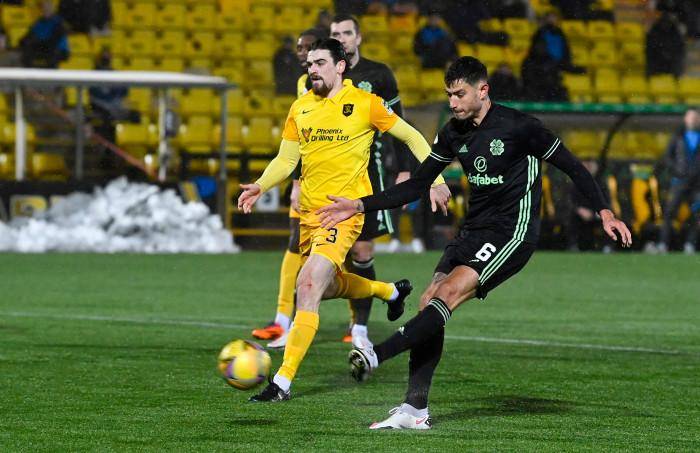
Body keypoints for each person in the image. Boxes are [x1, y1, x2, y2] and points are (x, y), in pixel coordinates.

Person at [317, 56, 632, 429]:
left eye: (460, 94)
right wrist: (359, 204)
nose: (453, 102)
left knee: (446, 295)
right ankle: (414, 409)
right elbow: (418, 184)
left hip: (512, 233)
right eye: (449, 94)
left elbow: (573, 165)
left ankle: (375, 355)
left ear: (483, 90)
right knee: (428, 299)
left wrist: (604, 212)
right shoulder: (454, 132)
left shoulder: (520, 127)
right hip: (472, 231)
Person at [237, 38, 450, 402]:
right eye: (309, 64)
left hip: (344, 213)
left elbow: (413, 136)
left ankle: (282, 381)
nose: (312, 69)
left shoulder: (365, 104)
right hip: (309, 216)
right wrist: (259, 184)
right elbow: (287, 161)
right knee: (327, 286)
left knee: (306, 287)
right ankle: (389, 290)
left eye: (320, 62)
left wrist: (438, 179)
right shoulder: (300, 107)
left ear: (340, 67)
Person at [329, 14, 421, 346]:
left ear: (359, 37)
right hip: (327, 177)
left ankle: (360, 328)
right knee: (320, 257)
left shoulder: (378, 74)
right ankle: (293, 318)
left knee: (362, 252)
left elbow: (398, 122)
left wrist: (406, 168)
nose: (341, 38)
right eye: (335, 33)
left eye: (346, 33)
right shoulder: (323, 73)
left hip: (368, 176)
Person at [251, 28, 325, 348]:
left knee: (347, 256)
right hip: (306, 177)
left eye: (307, 48)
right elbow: (300, 141)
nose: (300, 53)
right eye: (298, 47)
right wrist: (296, 180)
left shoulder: (346, 90)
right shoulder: (301, 85)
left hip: (339, 181)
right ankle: (284, 319)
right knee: (296, 242)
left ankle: (366, 315)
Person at [657, 108, 700, 254]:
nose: (693, 120)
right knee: (669, 212)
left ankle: (690, 244)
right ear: (685, 119)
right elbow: (667, 157)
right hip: (680, 182)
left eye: (696, 117)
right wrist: (676, 170)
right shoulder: (678, 137)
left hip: (697, 184)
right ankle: (663, 244)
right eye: (691, 117)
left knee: (697, 214)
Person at [19, 0, 69, 68]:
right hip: (42, 48)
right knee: (26, 53)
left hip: (58, 50)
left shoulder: (59, 23)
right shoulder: (39, 23)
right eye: (44, 7)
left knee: (50, 55)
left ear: (53, 8)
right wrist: (25, 42)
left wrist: (35, 43)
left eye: (48, 7)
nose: (46, 9)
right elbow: (25, 38)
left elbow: (53, 42)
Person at [646, 11, 685, 78]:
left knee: (677, 62)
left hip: (671, 59)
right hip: (657, 58)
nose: (665, 24)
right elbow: (650, 46)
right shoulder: (655, 29)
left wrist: (670, 54)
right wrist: (661, 52)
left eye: (667, 22)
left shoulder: (675, 31)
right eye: (664, 22)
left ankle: (676, 81)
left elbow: (680, 47)